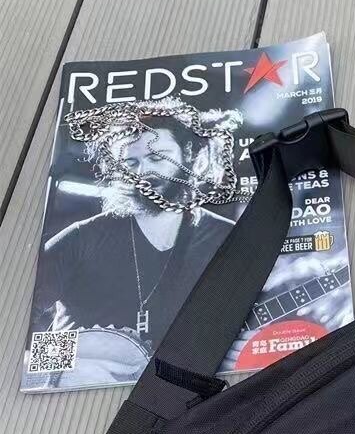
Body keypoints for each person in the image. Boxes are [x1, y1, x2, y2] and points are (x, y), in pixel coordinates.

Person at [31, 112, 236, 383]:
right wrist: (70, 364)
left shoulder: (227, 236)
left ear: (190, 155)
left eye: (157, 157)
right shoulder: (81, 238)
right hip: (79, 393)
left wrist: (244, 345)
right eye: (131, 162)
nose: (143, 173)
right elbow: (16, 333)